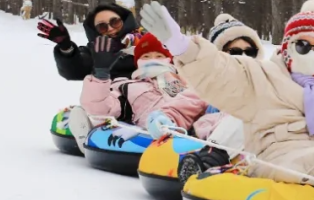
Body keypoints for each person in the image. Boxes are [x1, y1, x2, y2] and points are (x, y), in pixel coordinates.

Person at [139, 0, 314, 190]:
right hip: (281, 155)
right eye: (303, 45)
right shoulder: (261, 76)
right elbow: (219, 72)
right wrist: (181, 46)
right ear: (288, 47)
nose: (311, 54)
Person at [66, 32, 208, 147]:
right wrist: (101, 75)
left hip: (194, 129)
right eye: (146, 56)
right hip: (154, 132)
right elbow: (103, 108)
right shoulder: (127, 86)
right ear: (138, 62)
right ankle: (88, 135)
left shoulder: (184, 81)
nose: (153, 60)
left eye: (159, 56)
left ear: (169, 60)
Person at [176, 13, 266, 183]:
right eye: (235, 52)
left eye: (250, 52)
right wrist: (163, 118)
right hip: (217, 136)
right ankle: (206, 163)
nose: (243, 57)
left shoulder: (264, 83)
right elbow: (183, 105)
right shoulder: (207, 85)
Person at [36, 0, 140, 81]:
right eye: (102, 27)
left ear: (125, 21)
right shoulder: (94, 51)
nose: (110, 28)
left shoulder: (145, 40)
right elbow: (74, 71)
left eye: (115, 22)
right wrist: (66, 49)